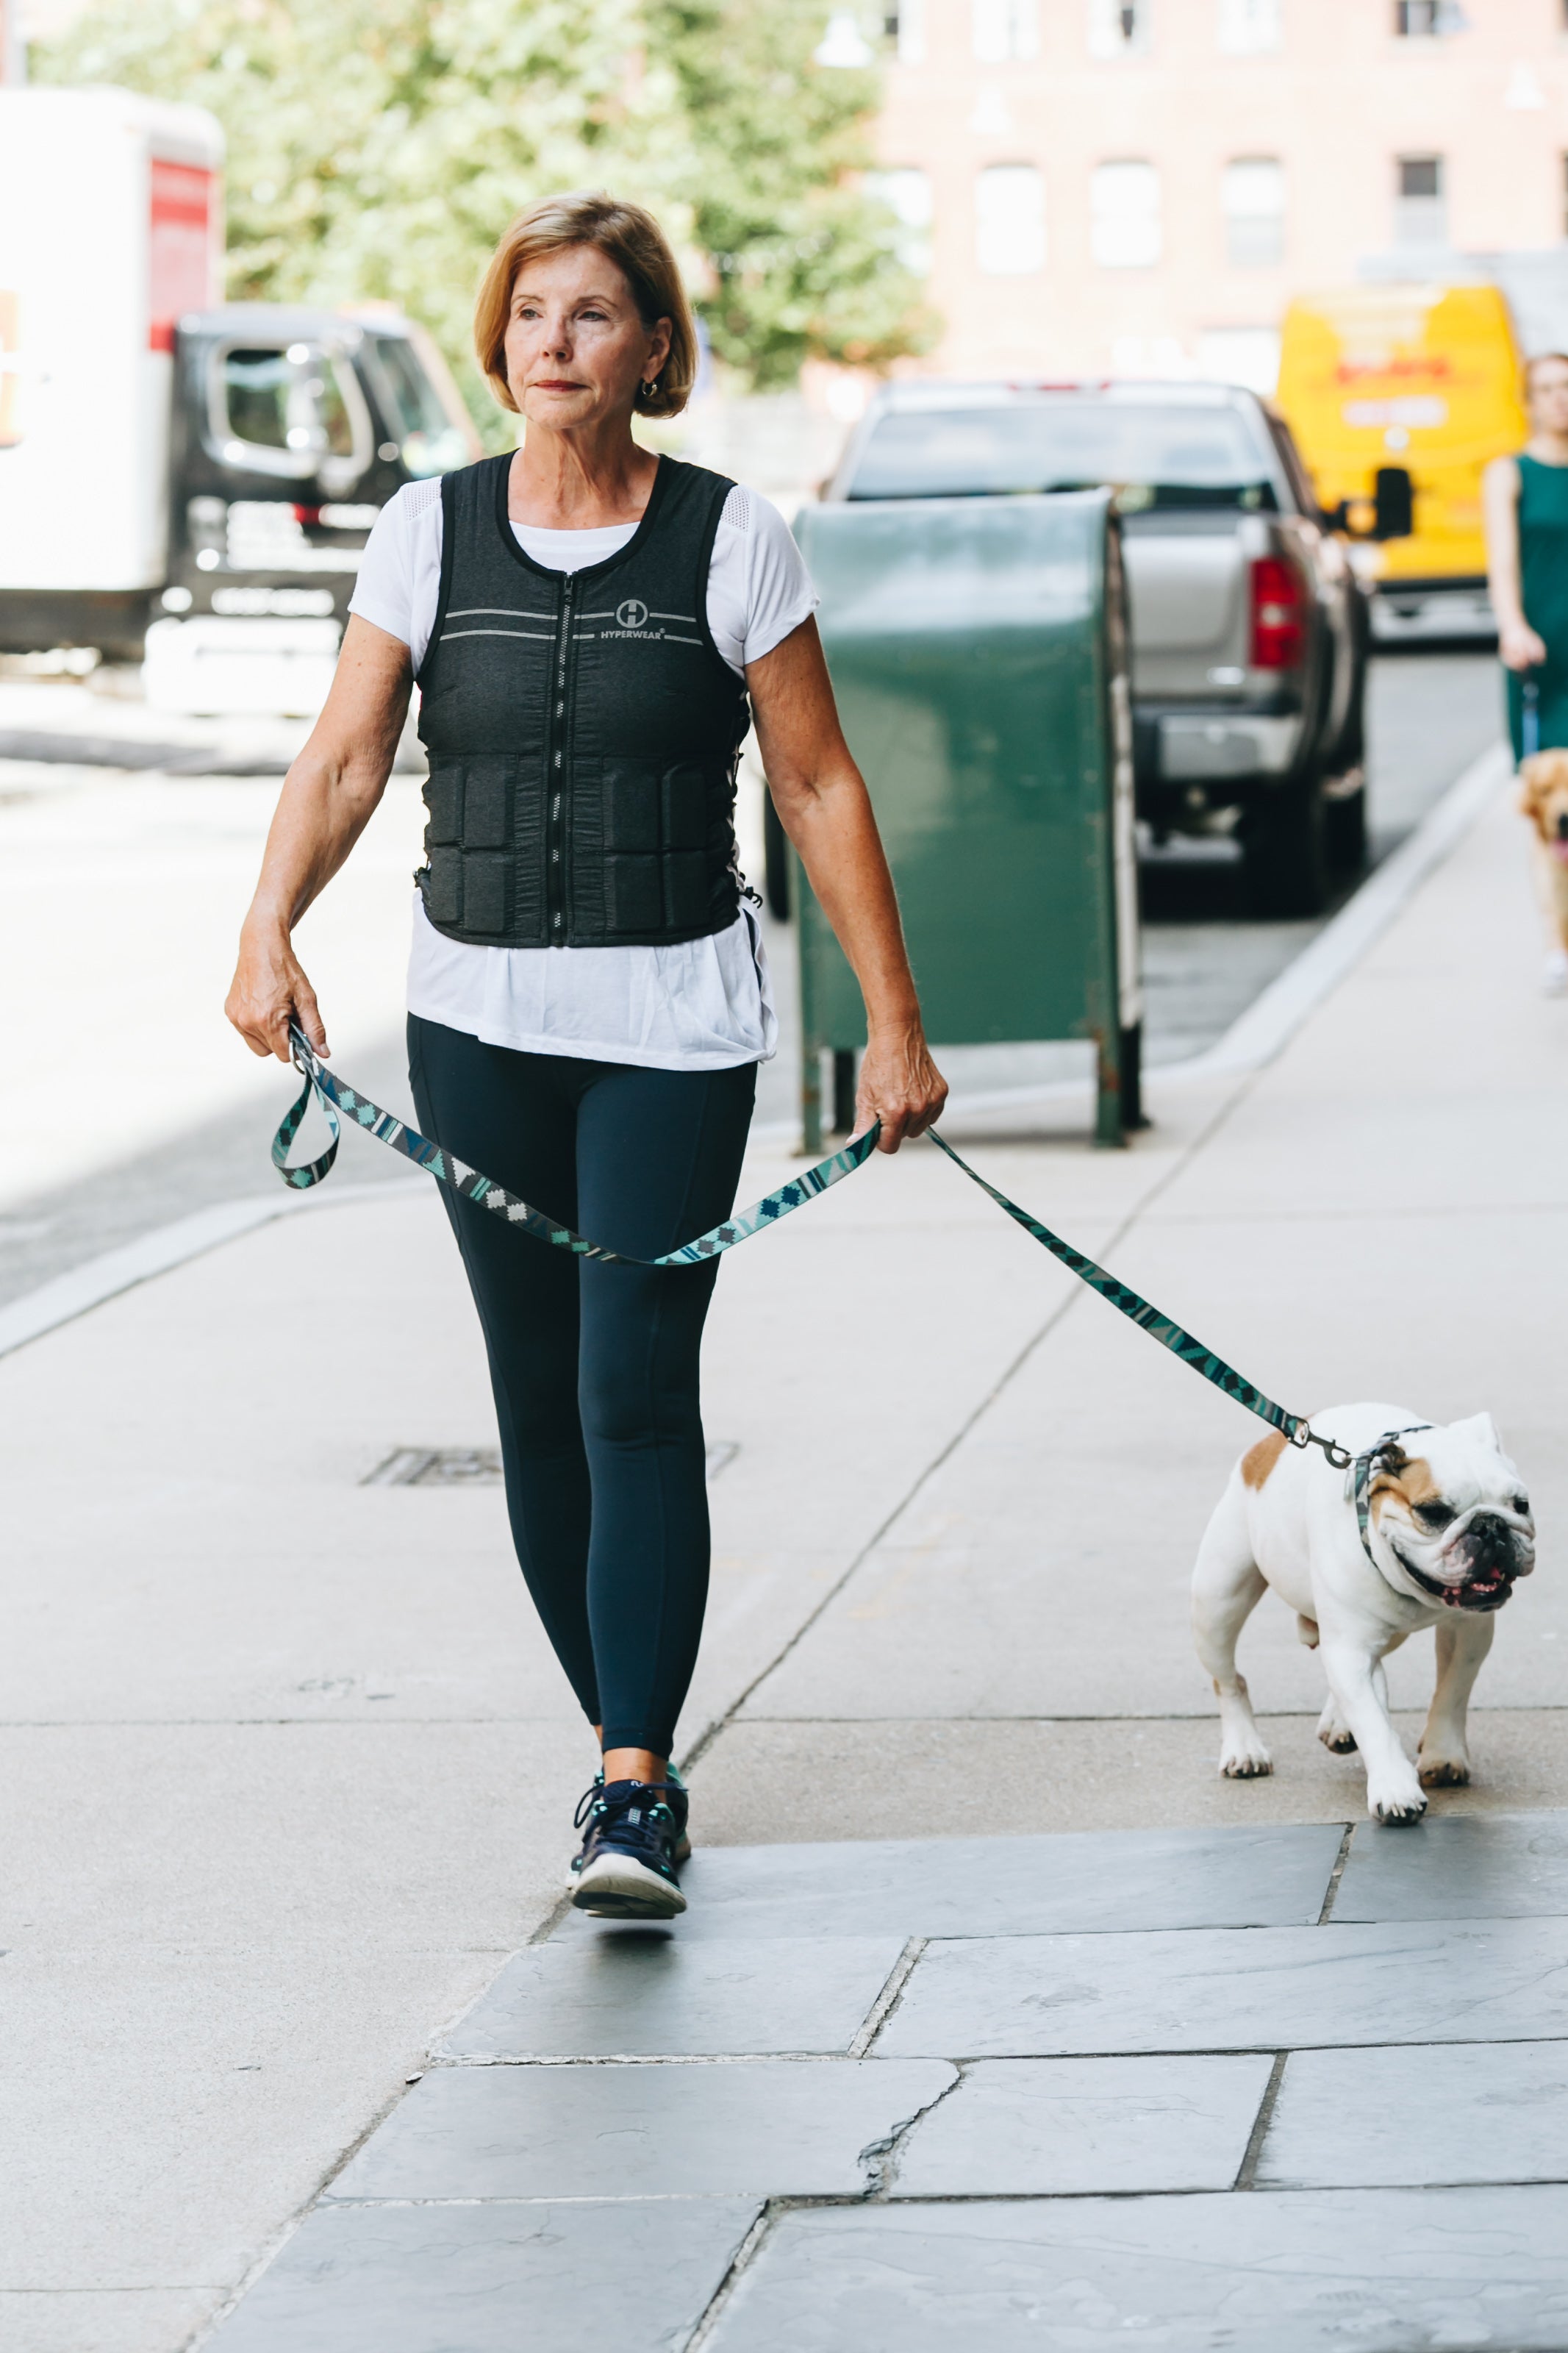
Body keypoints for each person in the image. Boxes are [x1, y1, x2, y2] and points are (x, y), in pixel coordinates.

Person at [225, 191, 947, 1921]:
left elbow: (816, 782)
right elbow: (341, 762)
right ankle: (629, 1741)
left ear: (651, 348)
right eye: (532, 312)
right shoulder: (424, 530)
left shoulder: (730, 535)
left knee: (632, 1393)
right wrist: (268, 928)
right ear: (499, 343)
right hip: (475, 1022)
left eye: (596, 313)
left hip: (671, 1029)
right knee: (534, 1404)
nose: (558, 342)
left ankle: (629, 1782)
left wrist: (890, 1025)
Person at [1484, 351, 1568, 991]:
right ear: (1528, 399)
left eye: (1566, 388)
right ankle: (1555, 939)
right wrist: (1512, 624)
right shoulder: (1508, 473)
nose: (1558, 399)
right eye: (1546, 389)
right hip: (1541, 661)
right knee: (1551, 814)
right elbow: (1502, 563)